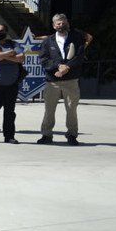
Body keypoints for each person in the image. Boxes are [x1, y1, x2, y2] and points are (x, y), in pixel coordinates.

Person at [36, 13, 89, 145]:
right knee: (49, 109)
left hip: (71, 80)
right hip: (52, 81)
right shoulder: (48, 41)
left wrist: (67, 68)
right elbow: (44, 59)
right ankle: (46, 135)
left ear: (67, 23)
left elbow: (79, 56)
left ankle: (72, 135)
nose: (61, 25)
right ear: (54, 26)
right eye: (58, 23)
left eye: (63, 22)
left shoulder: (76, 38)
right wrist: (58, 66)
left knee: (71, 109)